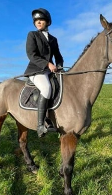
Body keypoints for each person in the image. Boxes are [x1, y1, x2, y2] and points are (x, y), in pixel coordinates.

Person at [24, 8, 64, 137]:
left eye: (41, 20)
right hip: (36, 69)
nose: (38, 22)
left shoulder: (53, 39)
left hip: (50, 70)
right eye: (36, 21)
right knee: (46, 88)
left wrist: (59, 66)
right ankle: (40, 125)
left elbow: (58, 56)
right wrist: (48, 64)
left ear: (48, 22)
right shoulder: (32, 35)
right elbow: (32, 55)